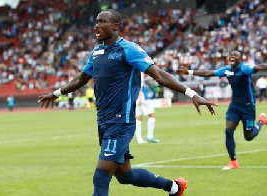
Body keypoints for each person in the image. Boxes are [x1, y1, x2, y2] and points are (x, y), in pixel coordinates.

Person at [38, 9, 217, 196]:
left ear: (116, 26)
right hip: (104, 121)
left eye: (102, 21)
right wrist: (57, 93)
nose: (96, 25)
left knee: (101, 175)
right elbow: (81, 79)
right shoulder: (97, 52)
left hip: (120, 121)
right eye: (96, 21)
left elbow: (158, 74)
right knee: (125, 175)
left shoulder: (129, 49)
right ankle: (174, 187)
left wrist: (191, 93)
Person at [177, 51, 267, 170]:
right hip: (234, 106)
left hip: (247, 106)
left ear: (240, 59)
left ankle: (261, 120)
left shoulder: (244, 68)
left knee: (248, 136)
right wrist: (189, 72)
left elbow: (258, 67)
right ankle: (233, 161)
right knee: (228, 131)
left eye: (236, 55)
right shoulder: (226, 70)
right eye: (231, 55)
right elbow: (209, 73)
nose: (232, 56)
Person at [135, 73, 159, 144]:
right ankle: (149, 136)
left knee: (138, 117)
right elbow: (139, 85)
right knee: (152, 115)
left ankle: (139, 139)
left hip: (134, 95)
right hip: (142, 96)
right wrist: (140, 98)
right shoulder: (138, 70)